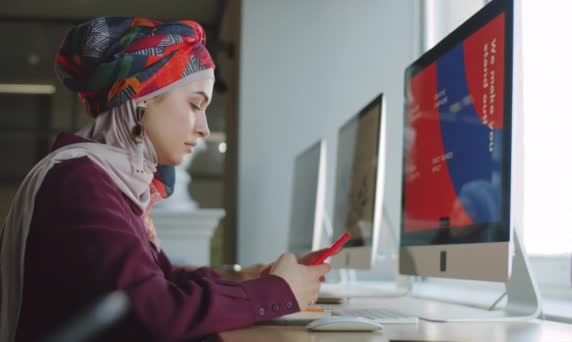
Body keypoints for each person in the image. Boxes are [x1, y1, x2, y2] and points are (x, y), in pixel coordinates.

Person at [0, 16, 332, 342]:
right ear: (142, 99)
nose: (204, 127)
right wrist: (278, 291)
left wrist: (245, 280)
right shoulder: (81, 181)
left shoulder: (104, 177)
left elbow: (162, 280)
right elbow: (158, 313)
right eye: (194, 104)